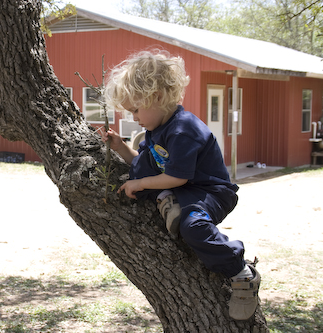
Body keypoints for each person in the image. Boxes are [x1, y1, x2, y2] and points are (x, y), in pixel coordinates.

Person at [101, 49, 260, 321]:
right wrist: (120, 148)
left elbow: (177, 177)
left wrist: (139, 184)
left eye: (136, 110)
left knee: (193, 227)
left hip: (210, 192)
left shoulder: (184, 129)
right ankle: (170, 204)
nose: (134, 118)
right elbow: (144, 162)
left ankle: (241, 273)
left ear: (158, 97)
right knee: (150, 185)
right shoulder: (155, 130)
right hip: (183, 189)